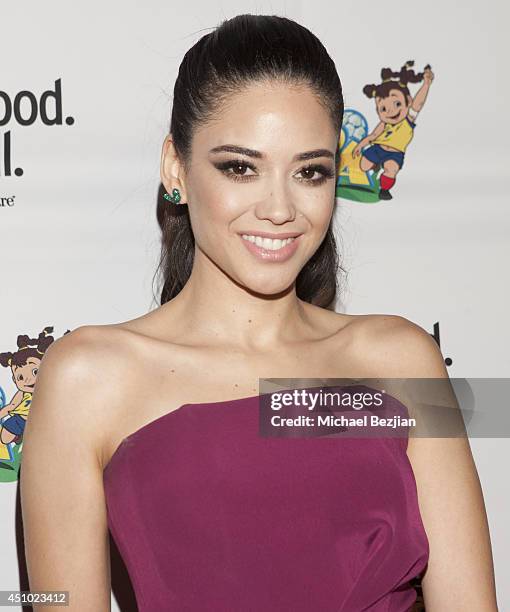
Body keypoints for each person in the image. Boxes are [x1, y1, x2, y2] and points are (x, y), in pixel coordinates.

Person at [20, 14, 497, 612]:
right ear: (176, 168)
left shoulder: (404, 360)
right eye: (240, 167)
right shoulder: (86, 377)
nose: (280, 208)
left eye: (309, 171)